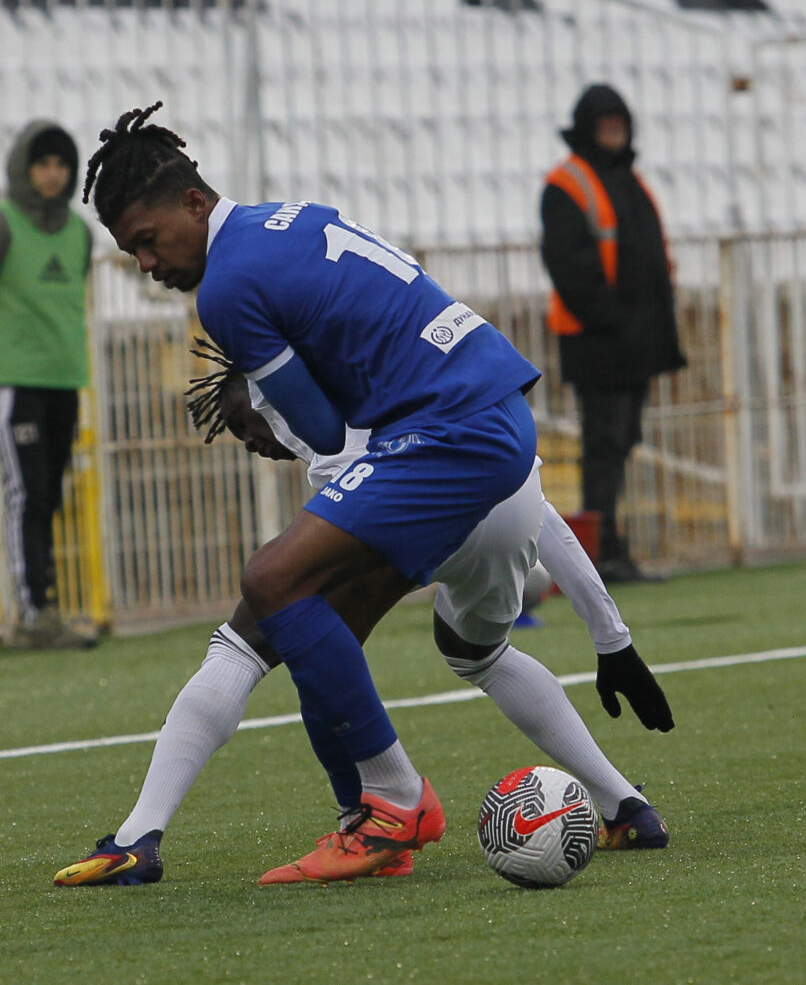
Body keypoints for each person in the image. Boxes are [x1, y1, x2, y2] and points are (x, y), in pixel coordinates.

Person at [69, 101, 660, 884]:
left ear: (194, 203)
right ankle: (173, 837)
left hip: (447, 435)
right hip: (486, 428)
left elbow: (322, 431)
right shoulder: (296, 222)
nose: (146, 265)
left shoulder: (230, 287)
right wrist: (610, 636)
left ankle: (392, 803)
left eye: (146, 242)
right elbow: (369, 423)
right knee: (314, 621)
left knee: (274, 584)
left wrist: (271, 422)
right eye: (129, 254)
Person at [52, 342, 672, 887]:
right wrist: (611, 638)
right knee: (472, 652)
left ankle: (154, 839)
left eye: (245, 424)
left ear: (269, 398)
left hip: (432, 496)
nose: (253, 445)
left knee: (264, 632)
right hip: (507, 497)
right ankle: (623, 807)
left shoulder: (330, 434)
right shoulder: (394, 378)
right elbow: (536, 512)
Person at [0, 120, 96, 651]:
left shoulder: (80, 233)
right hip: (14, 380)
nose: (52, 175)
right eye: (42, 164)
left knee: (49, 493)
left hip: (63, 379)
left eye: (60, 165)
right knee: (25, 492)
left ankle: (46, 605)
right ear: (24, 168)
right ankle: (32, 610)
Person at [541, 84, 687, 583]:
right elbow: (570, 267)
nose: (613, 130)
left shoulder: (627, 179)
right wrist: (617, 322)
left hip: (633, 343)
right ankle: (599, 556)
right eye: (604, 123)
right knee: (604, 446)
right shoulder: (568, 184)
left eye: (619, 122)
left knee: (620, 442)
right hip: (599, 343)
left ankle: (610, 548)